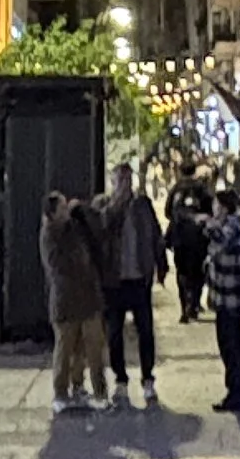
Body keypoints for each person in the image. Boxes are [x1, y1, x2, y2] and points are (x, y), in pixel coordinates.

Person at [97, 158, 168, 407]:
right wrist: (117, 202)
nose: (125, 185)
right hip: (115, 280)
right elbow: (101, 226)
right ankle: (121, 380)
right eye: (120, 180)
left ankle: (148, 378)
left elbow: (155, 235)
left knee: (145, 330)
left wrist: (161, 265)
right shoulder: (105, 205)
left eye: (128, 180)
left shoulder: (142, 205)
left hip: (138, 278)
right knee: (114, 333)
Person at [40, 187, 110, 416]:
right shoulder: (52, 233)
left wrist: (81, 210)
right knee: (65, 349)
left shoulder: (76, 226)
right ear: (52, 213)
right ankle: (61, 393)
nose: (66, 208)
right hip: (66, 301)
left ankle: (88, 388)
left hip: (87, 298)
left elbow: (95, 227)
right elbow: (59, 267)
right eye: (62, 206)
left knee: (90, 348)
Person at [204, 184, 240, 412]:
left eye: (217, 205)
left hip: (232, 298)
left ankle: (237, 392)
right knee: (227, 343)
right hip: (225, 297)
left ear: (225, 208)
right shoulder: (227, 225)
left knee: (231, 344)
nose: (213, 208)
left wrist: (206, 224)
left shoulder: (231, 227)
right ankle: (235, 390)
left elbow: (219, 238)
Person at [167, 172, 211, 323]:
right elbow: (210, 210)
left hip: (179, 237)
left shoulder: (175, 188)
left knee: (182, 272)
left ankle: (183, 306)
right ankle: (194, 304)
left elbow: (168, 212)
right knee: (199, 272)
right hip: (199, 238)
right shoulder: (202, 189)